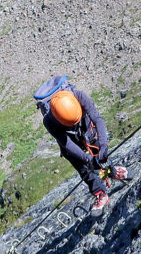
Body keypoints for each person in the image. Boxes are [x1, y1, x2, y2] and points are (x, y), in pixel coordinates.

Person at [42, 86, 127, 215]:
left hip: (86, 127)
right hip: (69, 140)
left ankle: (112, 171)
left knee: (99, 148)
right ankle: (100, 192)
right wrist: (87, 159)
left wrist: (104, 146)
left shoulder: (80, 96)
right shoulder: (49, 121)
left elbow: (97, 119)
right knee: (81, 165)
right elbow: (67, 143)